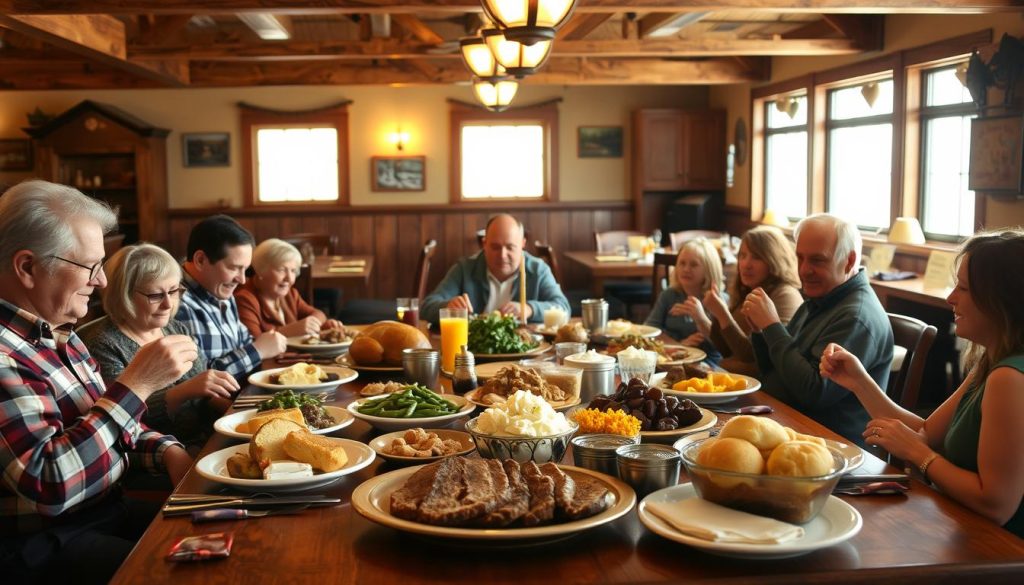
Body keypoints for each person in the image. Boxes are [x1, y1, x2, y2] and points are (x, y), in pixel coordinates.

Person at [0, 180, 195, 584]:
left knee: (221, 528)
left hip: (105, 512)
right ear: (27, 267)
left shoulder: (60, 333)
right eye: (90, 266)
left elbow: (109, 427)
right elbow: (49, 483)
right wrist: (136, 384)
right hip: (41, 547)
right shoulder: (4, 355)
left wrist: (171, 454)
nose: (102, 281)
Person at [821, 230, 1024, 537]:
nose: (950, 297)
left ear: (1001, 301)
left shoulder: (1010, 377)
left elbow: (995, 504)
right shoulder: (991, 361)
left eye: (964, 288)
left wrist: (921, 456)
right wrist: (859, 381)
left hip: (1000, 551)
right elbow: (927, 431)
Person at [78, 244, 239, 454]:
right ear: (122, 295)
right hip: (156, 459)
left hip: (204, 442)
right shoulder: (102, 344)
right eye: (155, 295)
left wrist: (238, 412)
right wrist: (184, 391)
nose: (168, 305)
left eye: (174, 291)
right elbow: (122, 422)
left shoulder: (175, 328)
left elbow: (206, 396)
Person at [748, 213, 892, 445]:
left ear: (849, 260)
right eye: (800, 258)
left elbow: (814, 394)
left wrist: (772, 327)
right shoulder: (823, 296)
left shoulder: (855, 317)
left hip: (832, 445)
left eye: (817, 260)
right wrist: (760, 332)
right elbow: (774, 374)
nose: (804, 270)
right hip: (789, 424)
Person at [175, 215, 286, 379]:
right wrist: (258, 351)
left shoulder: (222, 291)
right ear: (200, 260)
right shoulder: (174, 303)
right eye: (234, 268)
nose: (241, 280)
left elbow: (243, 343)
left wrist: (260, 348)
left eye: (245, 269)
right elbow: (199, 379)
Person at [421, 214, 569, 324]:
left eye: (510, 247)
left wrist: (528, 309)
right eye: (495, 247)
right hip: (474, 353)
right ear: (484, 244)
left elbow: (563, 308)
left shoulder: (538, 270)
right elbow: (427, 307)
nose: (503, 255)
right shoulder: (464, 269)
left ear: (523, 244)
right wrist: (448, 306)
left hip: (524, 353)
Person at [702, 226, 803, 376]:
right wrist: (717, 314)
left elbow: (752, 358)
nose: (746, 264)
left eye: (756, 257)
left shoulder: (785, 294)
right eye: (742, 255)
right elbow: (725, 350)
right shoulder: (748, 289)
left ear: (774, 260)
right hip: (731, 376)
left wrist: (723, 314)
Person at [234, 238, 344, 338]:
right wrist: (288, 331)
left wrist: (321, 325)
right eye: (281, 270)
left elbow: (319, 314)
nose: (289, 278)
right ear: (260, 270)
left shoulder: (289, 294)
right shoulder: (244, 299)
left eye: (293, 271)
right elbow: (254, 345)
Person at [644, 238, 726, 363]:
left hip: (708, 362)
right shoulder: (669, 295)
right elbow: (649, 331)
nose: (686, 269)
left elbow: (724, 347)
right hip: (671, 359)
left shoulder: (718, 300)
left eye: (694, 264)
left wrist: (700, 318)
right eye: (682, 263)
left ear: (709, 270)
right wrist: (679, 346)